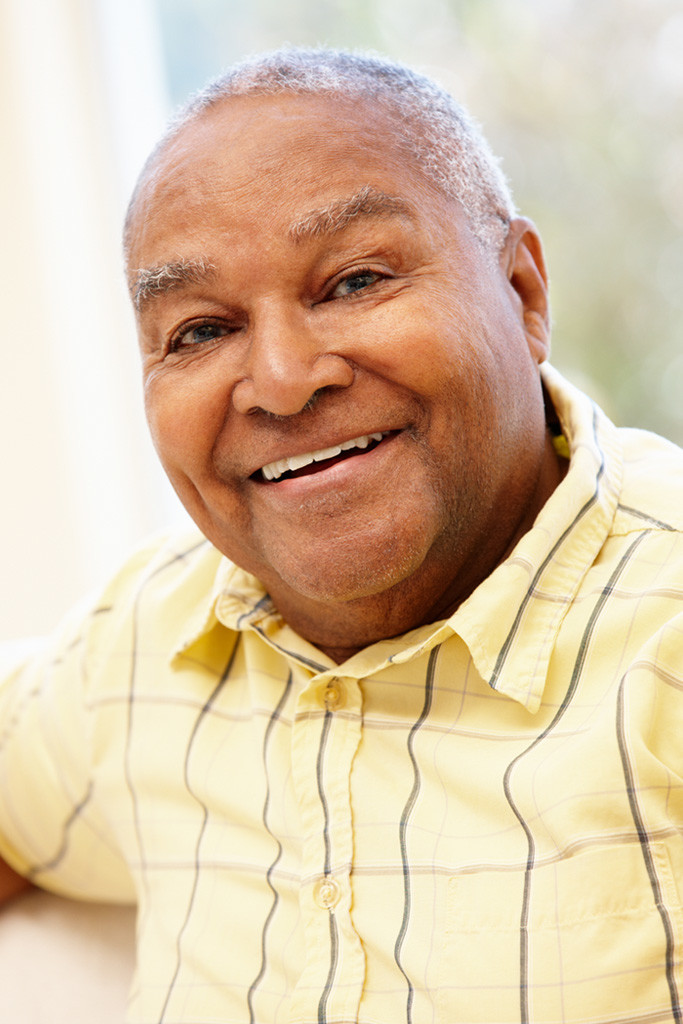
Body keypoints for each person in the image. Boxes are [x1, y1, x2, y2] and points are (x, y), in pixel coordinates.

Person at [1, 46, 682, 1024]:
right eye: (198, 331)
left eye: (355, 280)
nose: (280, 377)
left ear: (523, 293)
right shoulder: (146, 642)